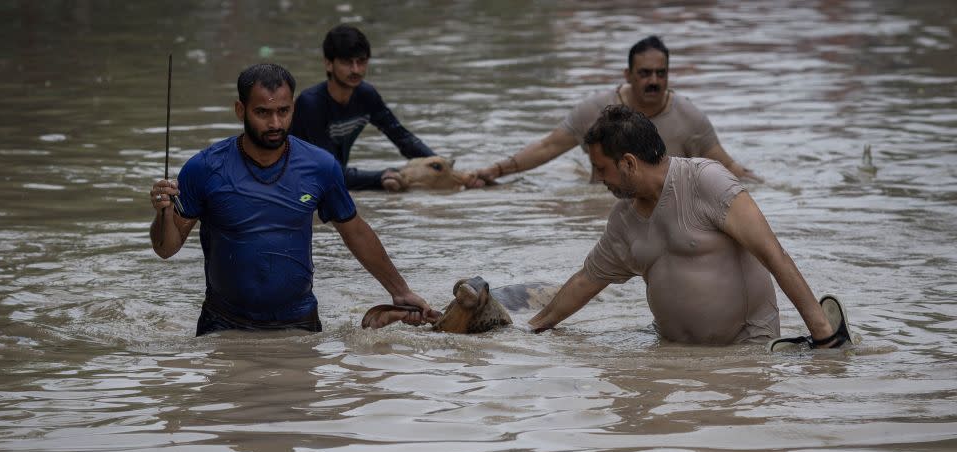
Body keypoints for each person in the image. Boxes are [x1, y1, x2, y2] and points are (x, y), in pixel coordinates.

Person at [149, 63, 439, 336]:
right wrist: (162, 212)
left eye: (283, 111)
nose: (275, 122)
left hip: (299, 323)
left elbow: (355, 232)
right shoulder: (204, 168)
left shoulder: (320, 166)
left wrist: (399, 291)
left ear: (294, 108)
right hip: (223, 325)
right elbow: (166, 248)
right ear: (241, 110)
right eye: (263, 112)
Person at [528, 105, 846, 347]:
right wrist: (531, 330)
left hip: (746, 351)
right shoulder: (623, 220)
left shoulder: (707, 180)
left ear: (628, 163)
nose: (598, 180)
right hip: (672, 352)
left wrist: (823, 335)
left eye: (601, 169)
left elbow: (774, 255)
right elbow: (587, 279)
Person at [473, 35, 763, 186]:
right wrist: (496, 170)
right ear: (628, 74)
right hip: (603, 201)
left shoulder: (690, 118)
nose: (654, 81)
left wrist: (780, 192)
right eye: (645, 73)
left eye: (661, 73)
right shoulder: (596, 110)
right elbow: (548, 146)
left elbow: (729, 167)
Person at [291, 24, 442, 192]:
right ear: (328, 64)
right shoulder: (311, 104)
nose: (356, 70)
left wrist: (442, 167)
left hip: (331, 181)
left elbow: (403, 138)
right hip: (296, 186)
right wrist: (383, 176)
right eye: (347, 62)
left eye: (361, 62)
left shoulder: (366, 95)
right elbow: (329, 171)